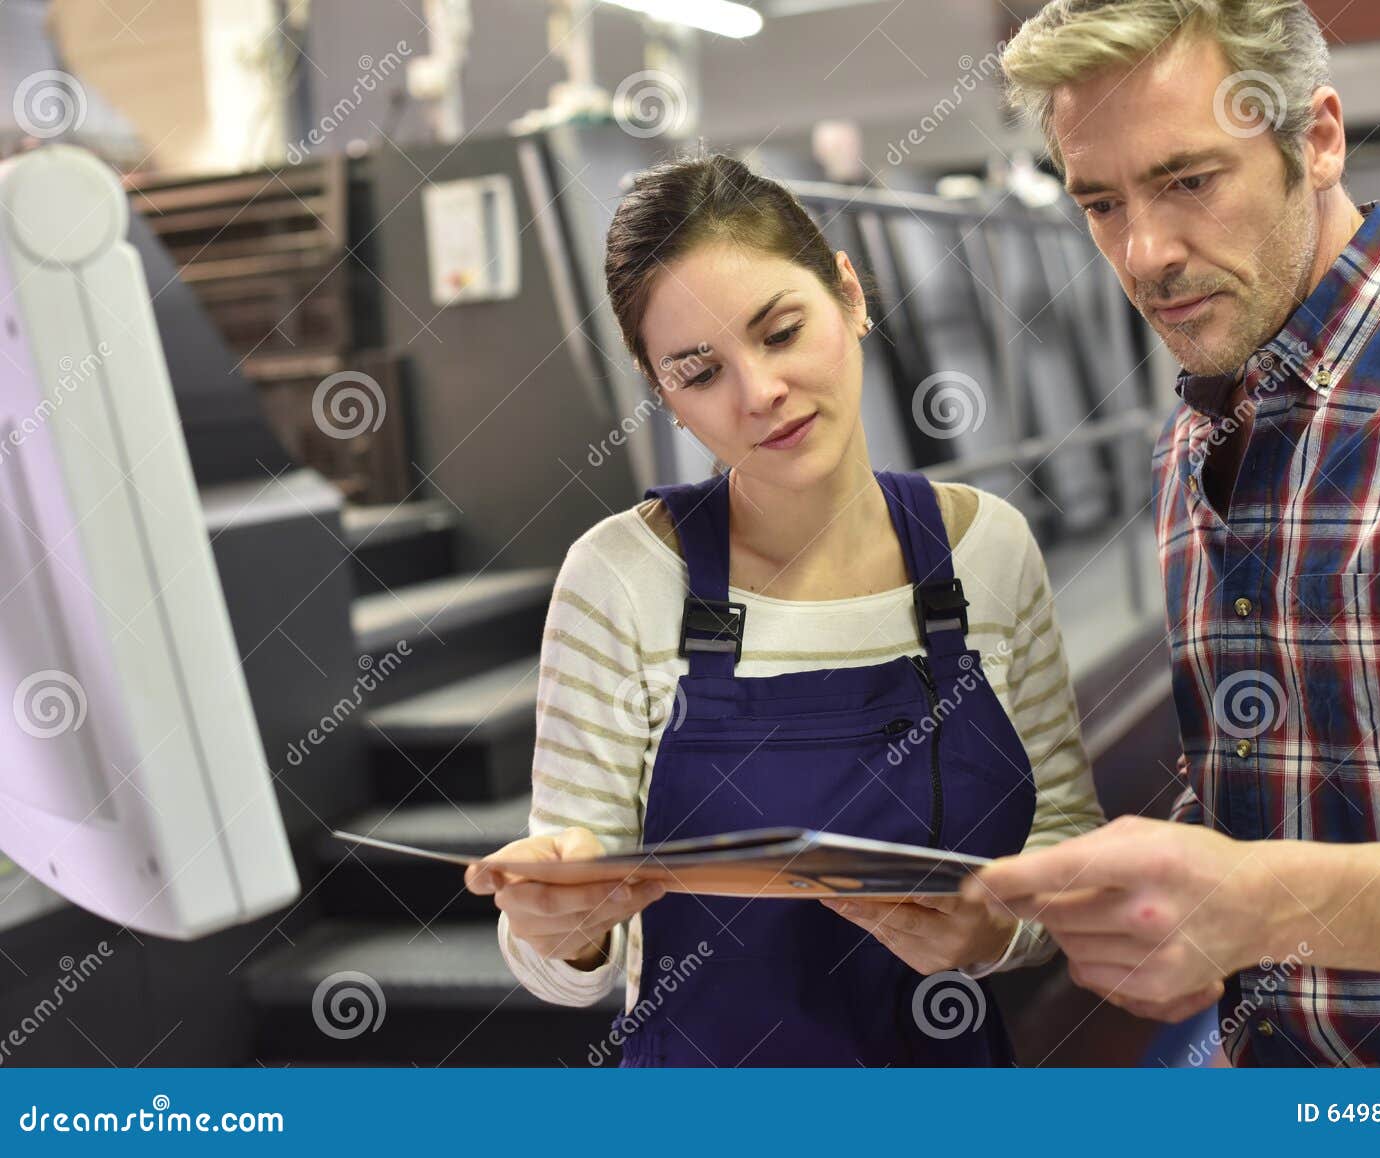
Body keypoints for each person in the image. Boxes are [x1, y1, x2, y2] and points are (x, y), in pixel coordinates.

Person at [967, 0, 1380, 1066]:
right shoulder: (1196, 436)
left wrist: (1258, 905)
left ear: (1314, 139)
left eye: (1187, 180)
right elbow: (1295, 786)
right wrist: (1039, 912)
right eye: (1100, 203)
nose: (1145, 253)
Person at [464, 153, 1103, 1066]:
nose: (757, 393)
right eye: (699, 370)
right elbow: (564, 964)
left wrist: (995, 936)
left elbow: (1065, 843)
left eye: (780, 331)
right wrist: (562, 923)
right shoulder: (620, 580)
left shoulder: (989, 554)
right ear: (665, 398)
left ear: (848, 292)